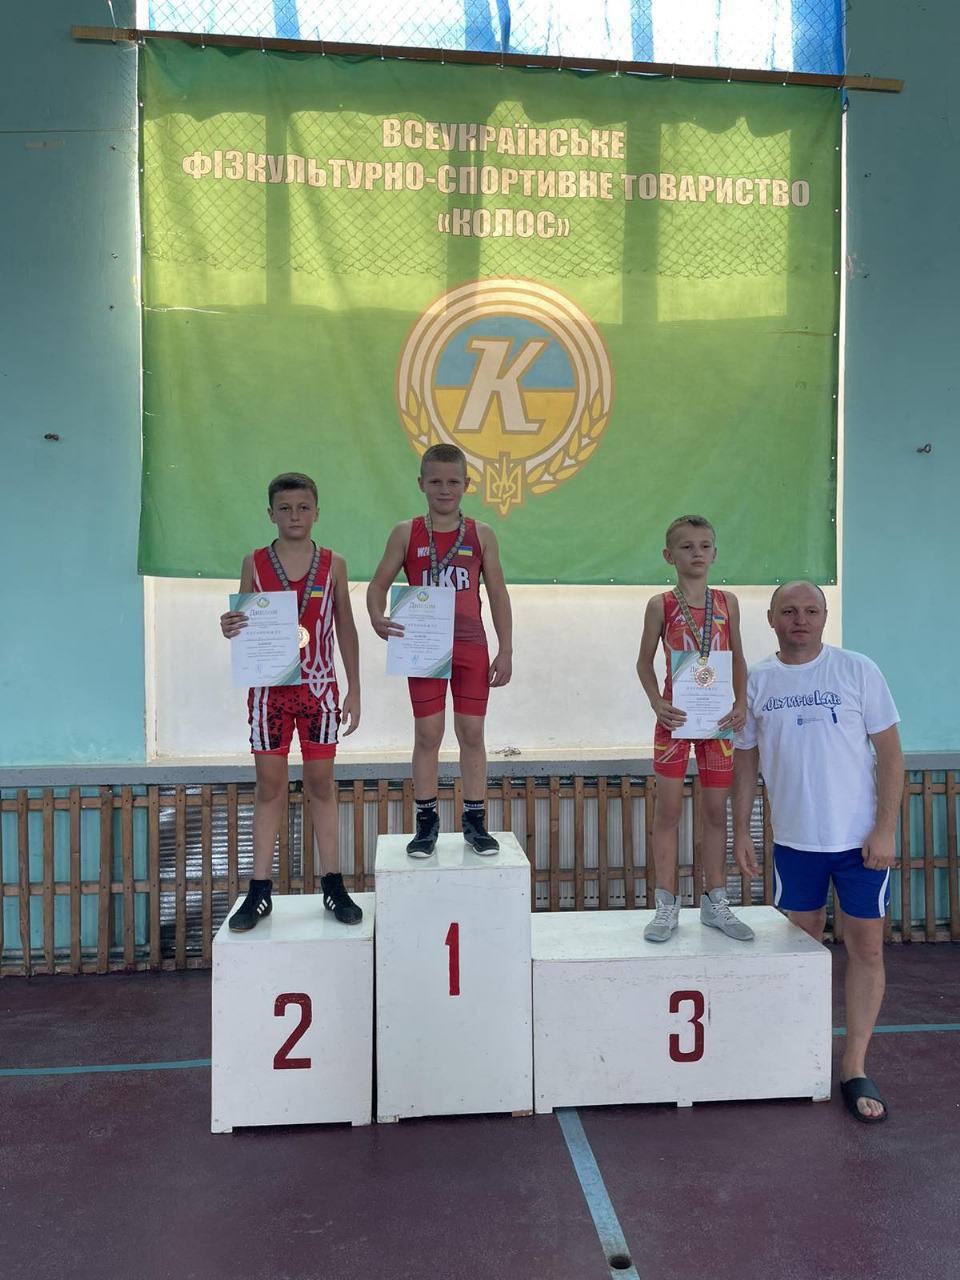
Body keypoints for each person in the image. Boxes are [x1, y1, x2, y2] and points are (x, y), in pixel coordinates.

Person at [732, 580, 903, 1123]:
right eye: (789, 611)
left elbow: (891, 755)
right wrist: (742, 831)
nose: (800, 619)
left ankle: (854, 1066)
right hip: (795, 844)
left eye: (810, 610)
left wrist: (885, 829)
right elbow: (744, 762)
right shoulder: (756, 681)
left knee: (866, 949)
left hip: (859, 843)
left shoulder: (857, 670)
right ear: (771, 618)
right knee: (800, 951)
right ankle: (798, 1052)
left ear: (825, 616)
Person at [219, 472, 363, 930]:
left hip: (320, 689)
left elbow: (345, 626)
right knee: (269, 787)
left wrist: (355, 688)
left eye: (303, 508)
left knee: (321, 785)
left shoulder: (334, 563)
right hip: (269, 693)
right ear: (271, 514)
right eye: (285, 508)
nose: (294, 516)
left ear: (317, 512)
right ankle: (259, 890)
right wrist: (229, 625)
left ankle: (333, 884)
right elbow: (242, 623)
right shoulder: (255, 562)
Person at [367, 443, 512, 857]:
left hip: (470, 645)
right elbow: (377, 585)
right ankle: (426, 823)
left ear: (466, 484)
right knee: (428, 733)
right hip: (423, 647)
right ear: (421, 484)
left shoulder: (482, 534)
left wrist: (506, 649)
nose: (444, 489)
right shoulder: (405, 532)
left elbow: (498, 594)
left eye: (452, 482)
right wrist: (377, 617)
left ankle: (475, 822)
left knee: (472, 733)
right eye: (435, 482)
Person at [636, 515, 753, 942]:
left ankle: (715, 901)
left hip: (718, 722)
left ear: (715, 553)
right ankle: (666, 905)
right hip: (676, 721)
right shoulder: (660, 605)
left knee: (715, 812)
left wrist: (740, 702)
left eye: (704, 546)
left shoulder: (727, 603)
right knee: (667, 813)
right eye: (686, 547)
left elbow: (737, 657)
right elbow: (643, 663)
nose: (697, 553)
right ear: (669, 556)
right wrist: (657, 702)